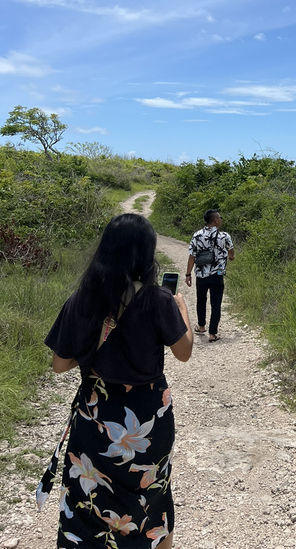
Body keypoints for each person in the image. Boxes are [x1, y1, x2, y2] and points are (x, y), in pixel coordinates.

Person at [38, 213, 192, 549]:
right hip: (149, 423)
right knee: (152, 498)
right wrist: (181, 307)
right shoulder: (158, 299)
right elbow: (184, 352)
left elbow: (59, 364)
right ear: (146, 255)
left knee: (87, 502)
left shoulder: (83, 300)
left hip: (95, 421)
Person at [185, 209, 234, 342]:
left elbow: (192, 256)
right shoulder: (224, 236)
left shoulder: (197, 235)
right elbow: (231, 254)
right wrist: (229, 257)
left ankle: (201, 327)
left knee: (201, 300)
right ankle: (212, 334)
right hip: (217, 275)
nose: (221, 219)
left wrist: (188, 274)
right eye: (220, 217)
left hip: (201, 274)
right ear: (216, 220)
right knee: (216, 303)